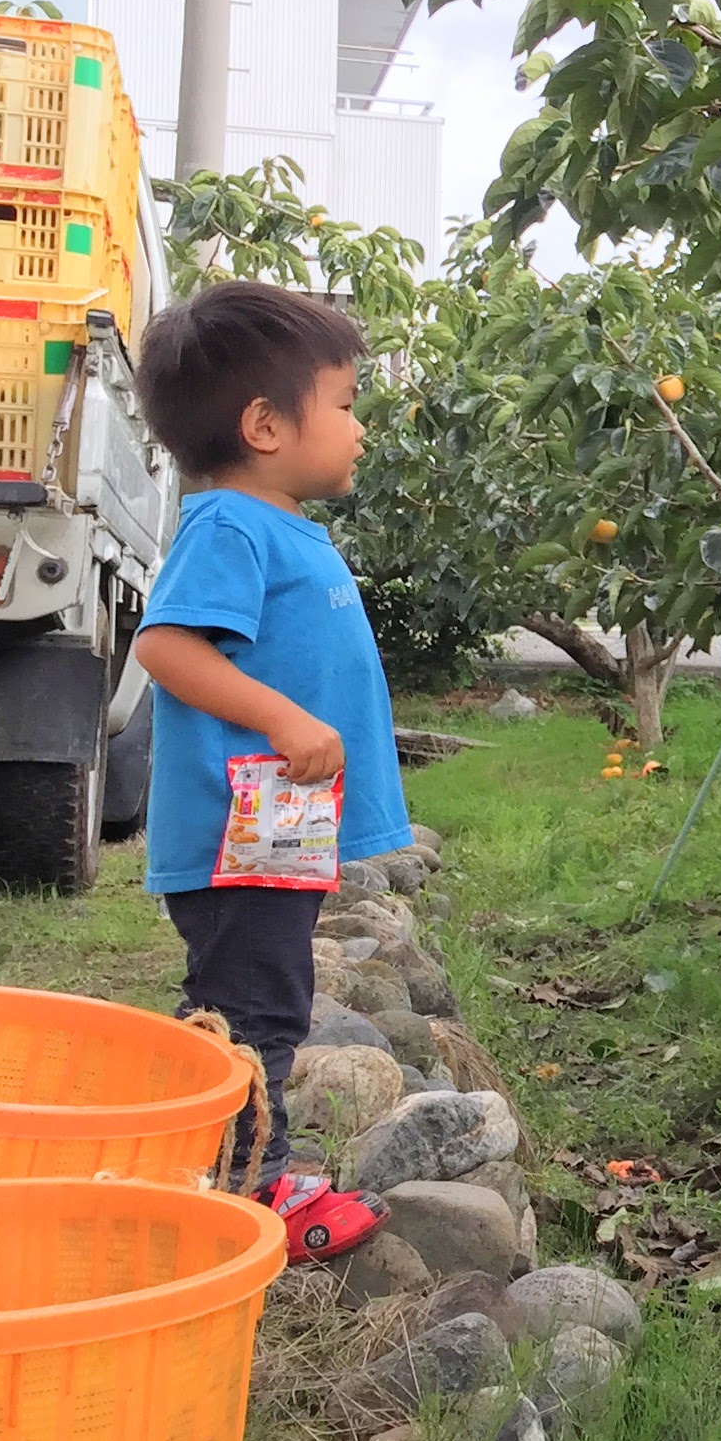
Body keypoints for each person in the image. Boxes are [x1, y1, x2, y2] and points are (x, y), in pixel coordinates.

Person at [131, 283, 411, 1266]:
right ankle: (247, 1194)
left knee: (248, 999)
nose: (358, 425)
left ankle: (201, 1165)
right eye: (342, 402)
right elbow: (167, 647)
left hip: (274, 832)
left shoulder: (281, 527)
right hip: (237, 838)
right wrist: (285, 716)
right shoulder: (233, 529)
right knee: (253, 1008)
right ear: (263, 424)